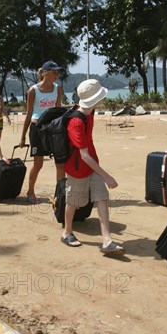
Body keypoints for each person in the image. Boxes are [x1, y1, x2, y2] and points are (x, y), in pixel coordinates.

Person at [61, 79, 125, 255]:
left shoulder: (91, 111)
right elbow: (83, 155)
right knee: (74, 201)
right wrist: (107, 176)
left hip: (92, 165)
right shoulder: (76, 122)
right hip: (77, 168)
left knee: (102, 198)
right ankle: (67, 232)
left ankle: (107, 240)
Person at [19, 60, 65, 204]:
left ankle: (60, 195)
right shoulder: (33, 90)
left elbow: (58, 110)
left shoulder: (58, 89)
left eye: (58, 72)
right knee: (38, 164)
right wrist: (22, 137)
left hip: (53, 130)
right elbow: (28, 113)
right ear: (44, 73)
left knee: (60, 163)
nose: (57, 75)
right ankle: (30, 191)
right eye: (54, 72)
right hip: (37, 129)